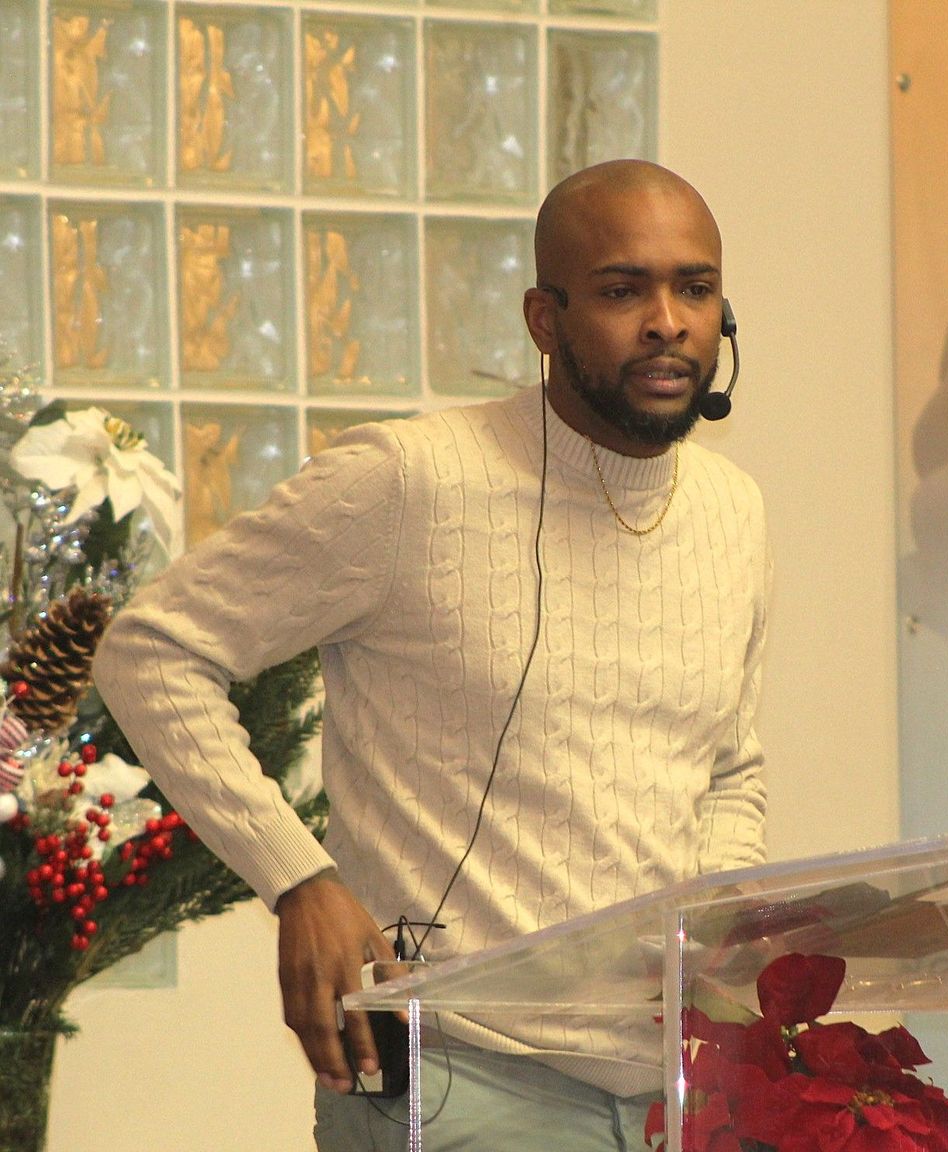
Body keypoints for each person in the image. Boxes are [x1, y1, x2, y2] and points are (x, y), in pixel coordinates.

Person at [93, 159, 771, 1151]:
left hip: (673, 1092)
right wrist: (299, 878)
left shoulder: (732, 510)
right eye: (624, 291)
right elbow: (151, 651)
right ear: (545, 320)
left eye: (695, 289)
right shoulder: (410, 481)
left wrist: (719, 930)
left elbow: (729, 767)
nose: (668, 322)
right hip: (458, 1078)